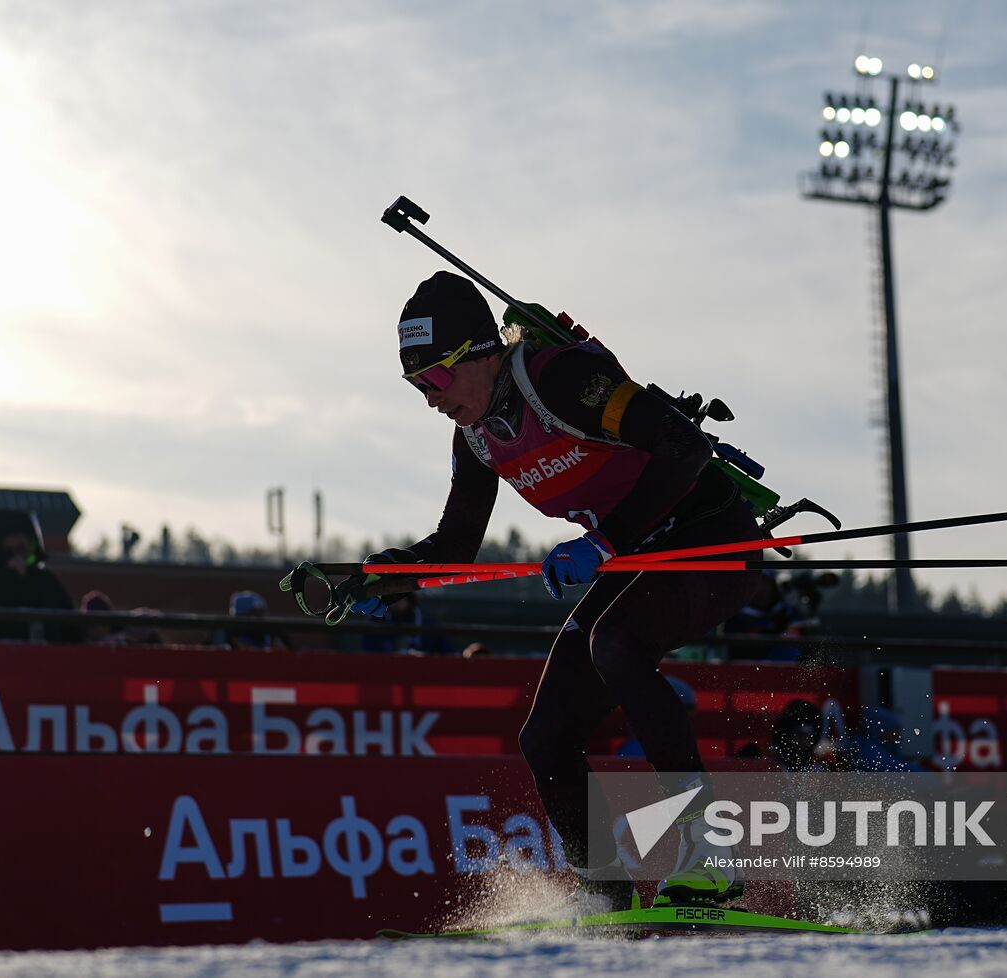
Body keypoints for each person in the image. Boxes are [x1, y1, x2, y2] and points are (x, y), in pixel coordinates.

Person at [302, 270, 765, 911]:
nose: (430, 399)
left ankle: (709, 859)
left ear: (478, 354)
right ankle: (606, 893)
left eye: (434, 378)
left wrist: (605, 543)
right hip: (634, 556)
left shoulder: (559, 382)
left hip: (710, 535)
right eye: (416, 386)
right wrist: (388, 575)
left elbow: (683, 444)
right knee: (545, 734)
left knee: (618, 644)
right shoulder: (476, 436)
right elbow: (456, 546)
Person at [0, 509, 80, 642]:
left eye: (26, 536)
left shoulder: (46, 581)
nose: (22, 542)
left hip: (39, 657)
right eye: (14, 536)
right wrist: (10, 576)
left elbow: (70, 626)